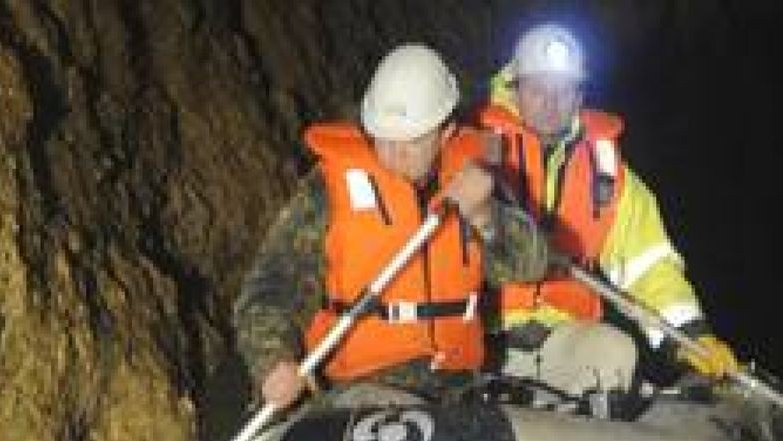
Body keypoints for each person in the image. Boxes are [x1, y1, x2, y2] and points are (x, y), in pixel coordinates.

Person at [233, 44, 549, 411]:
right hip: (362, 389)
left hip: (460, 384)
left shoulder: (474, 177)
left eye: (413, 141)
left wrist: (486, 218)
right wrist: (272, 361)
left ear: (445, 133)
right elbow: (271, 287)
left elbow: (531, 267)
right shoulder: (328, 189)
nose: (395, 154)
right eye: (384, 138)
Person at [476, 23, 739, 402]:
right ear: (515, 88)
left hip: (561, 341)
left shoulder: (606, 171)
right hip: (483, 333)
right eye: (537, 90)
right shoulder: (476, 145)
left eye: (563, 90)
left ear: (580, 95)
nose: (550, 103)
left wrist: (693, 335)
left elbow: (648, 265)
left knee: (614, 353)